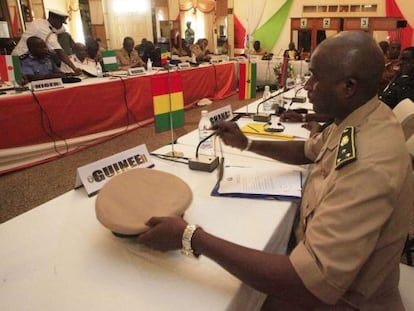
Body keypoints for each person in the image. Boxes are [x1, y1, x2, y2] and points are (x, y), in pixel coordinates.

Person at [137, 31, 412, 310]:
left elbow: (307, 285)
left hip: (346, 302)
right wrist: (246, 143)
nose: (307, 85)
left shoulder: (368, 164)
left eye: (315, 77)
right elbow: (308, 151)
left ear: (348, 87)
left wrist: (191, 237)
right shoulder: (359, 118)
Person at [12, 9, 81, 75]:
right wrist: (74, 68)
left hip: (29, 57)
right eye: (60, 22)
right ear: (53, 19)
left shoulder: (39, 22)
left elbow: (61, 29)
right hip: (22, 59)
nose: (61, 25)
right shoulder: (44, 30)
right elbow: (60, 52)